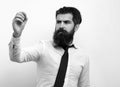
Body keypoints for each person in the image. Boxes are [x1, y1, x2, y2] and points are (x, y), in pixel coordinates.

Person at [9, 6, 90, 87]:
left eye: (66, 22)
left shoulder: (83, 57)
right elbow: (16, 57)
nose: (61, 26)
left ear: (76, 27)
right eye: (58, 22)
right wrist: (16, 34)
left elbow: (84, 85)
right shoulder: (43, 47)